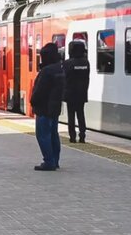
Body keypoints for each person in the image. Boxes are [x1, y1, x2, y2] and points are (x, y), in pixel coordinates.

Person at [30, 42, 65, 171]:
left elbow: (40, 91)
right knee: (53, 134)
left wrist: (33, 101)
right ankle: (55, 160)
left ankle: (49, 161)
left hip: (43, 108)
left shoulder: (46, 71)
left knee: (43, 135)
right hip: (55, 108)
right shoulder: (59, 69)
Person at [63, 39, 90, 143]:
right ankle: (82, 136)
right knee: (81, 114)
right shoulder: (86, 62)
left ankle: (72, 137)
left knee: (71, 116)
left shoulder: (68, 63)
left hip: (70, 93)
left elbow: (64, 77)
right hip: (82, 93)